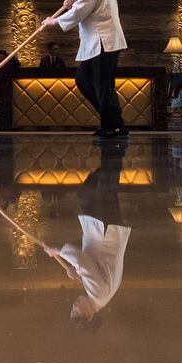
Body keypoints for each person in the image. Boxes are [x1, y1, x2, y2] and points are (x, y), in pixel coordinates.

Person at [44, 141, 131, 330]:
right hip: (106, 231)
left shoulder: (98, 297)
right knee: (103, 184)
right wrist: (57, 252)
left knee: (90, 191)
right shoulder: (98, 295)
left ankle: (114, 148)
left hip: (105, 229)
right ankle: (115, 143)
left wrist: (77, 274)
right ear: (90, 315)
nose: (74, 306)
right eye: (77, 311)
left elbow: (88, 267)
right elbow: (84, 261)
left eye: (72, 311)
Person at [42, 0, 128, 139]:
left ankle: (114, 125)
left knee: (101, 85)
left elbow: (82, 12)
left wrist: (54, 21)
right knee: (86, 80)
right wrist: (73, 4)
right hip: (99, 42)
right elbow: (87, 9)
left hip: (103, 42)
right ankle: (111, 122)